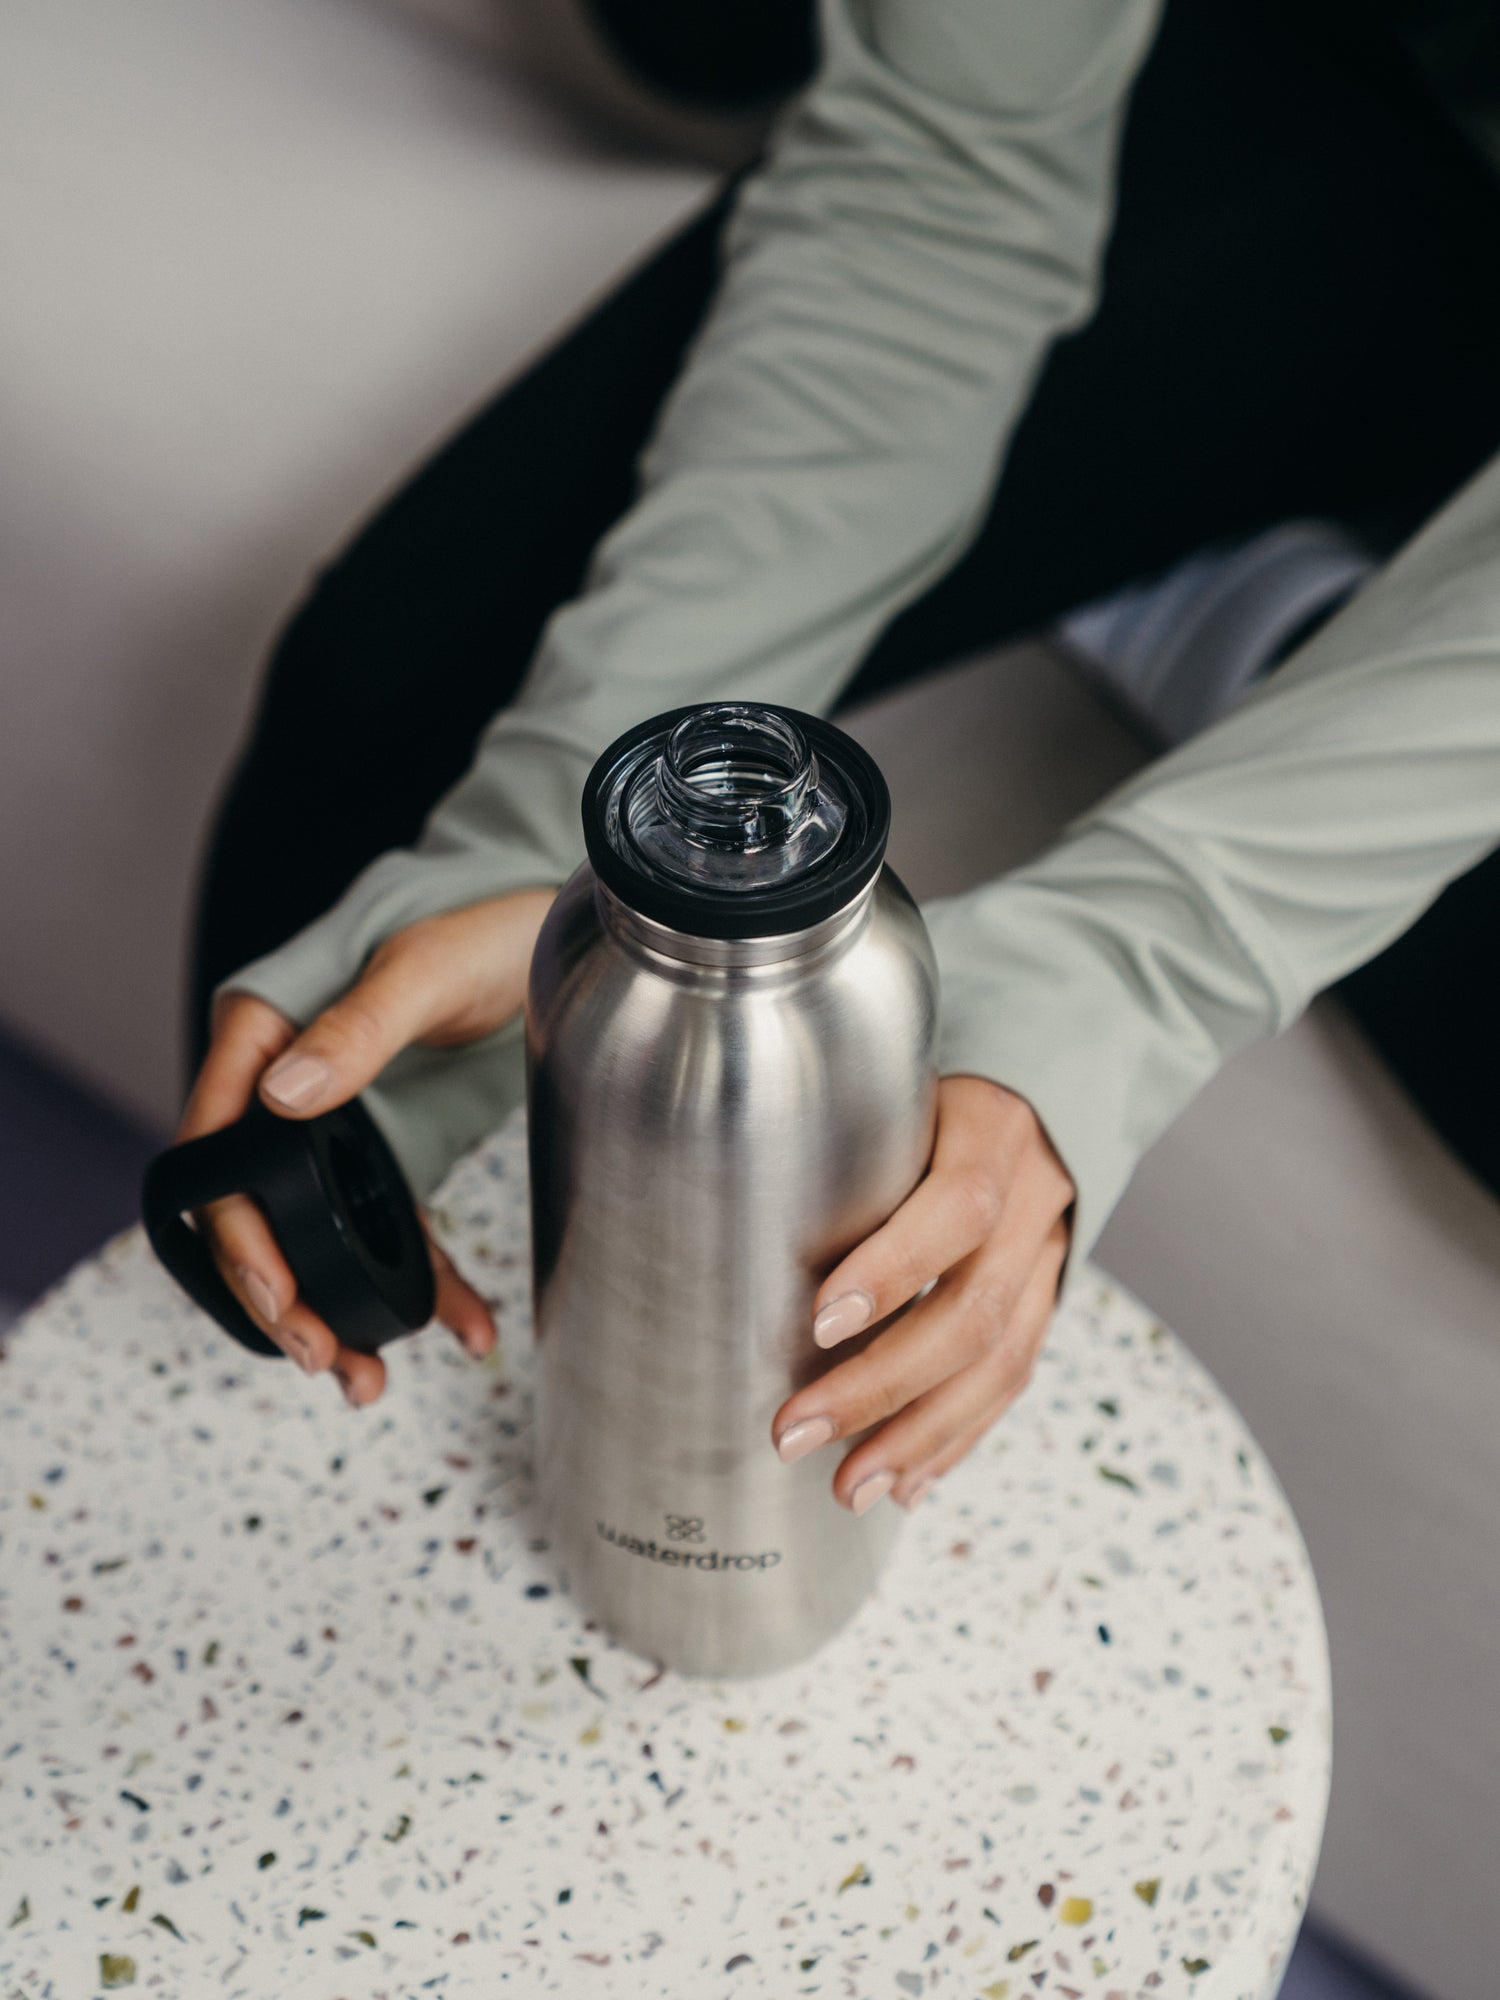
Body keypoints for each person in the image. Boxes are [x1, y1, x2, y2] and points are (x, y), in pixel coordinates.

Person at [178, 0, 1500, 1523]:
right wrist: (572, 827)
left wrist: (1128, 970)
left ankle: (1267, 622)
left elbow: (1131, 981)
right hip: (1310, 101)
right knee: (388, 752)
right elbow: (937, 187)